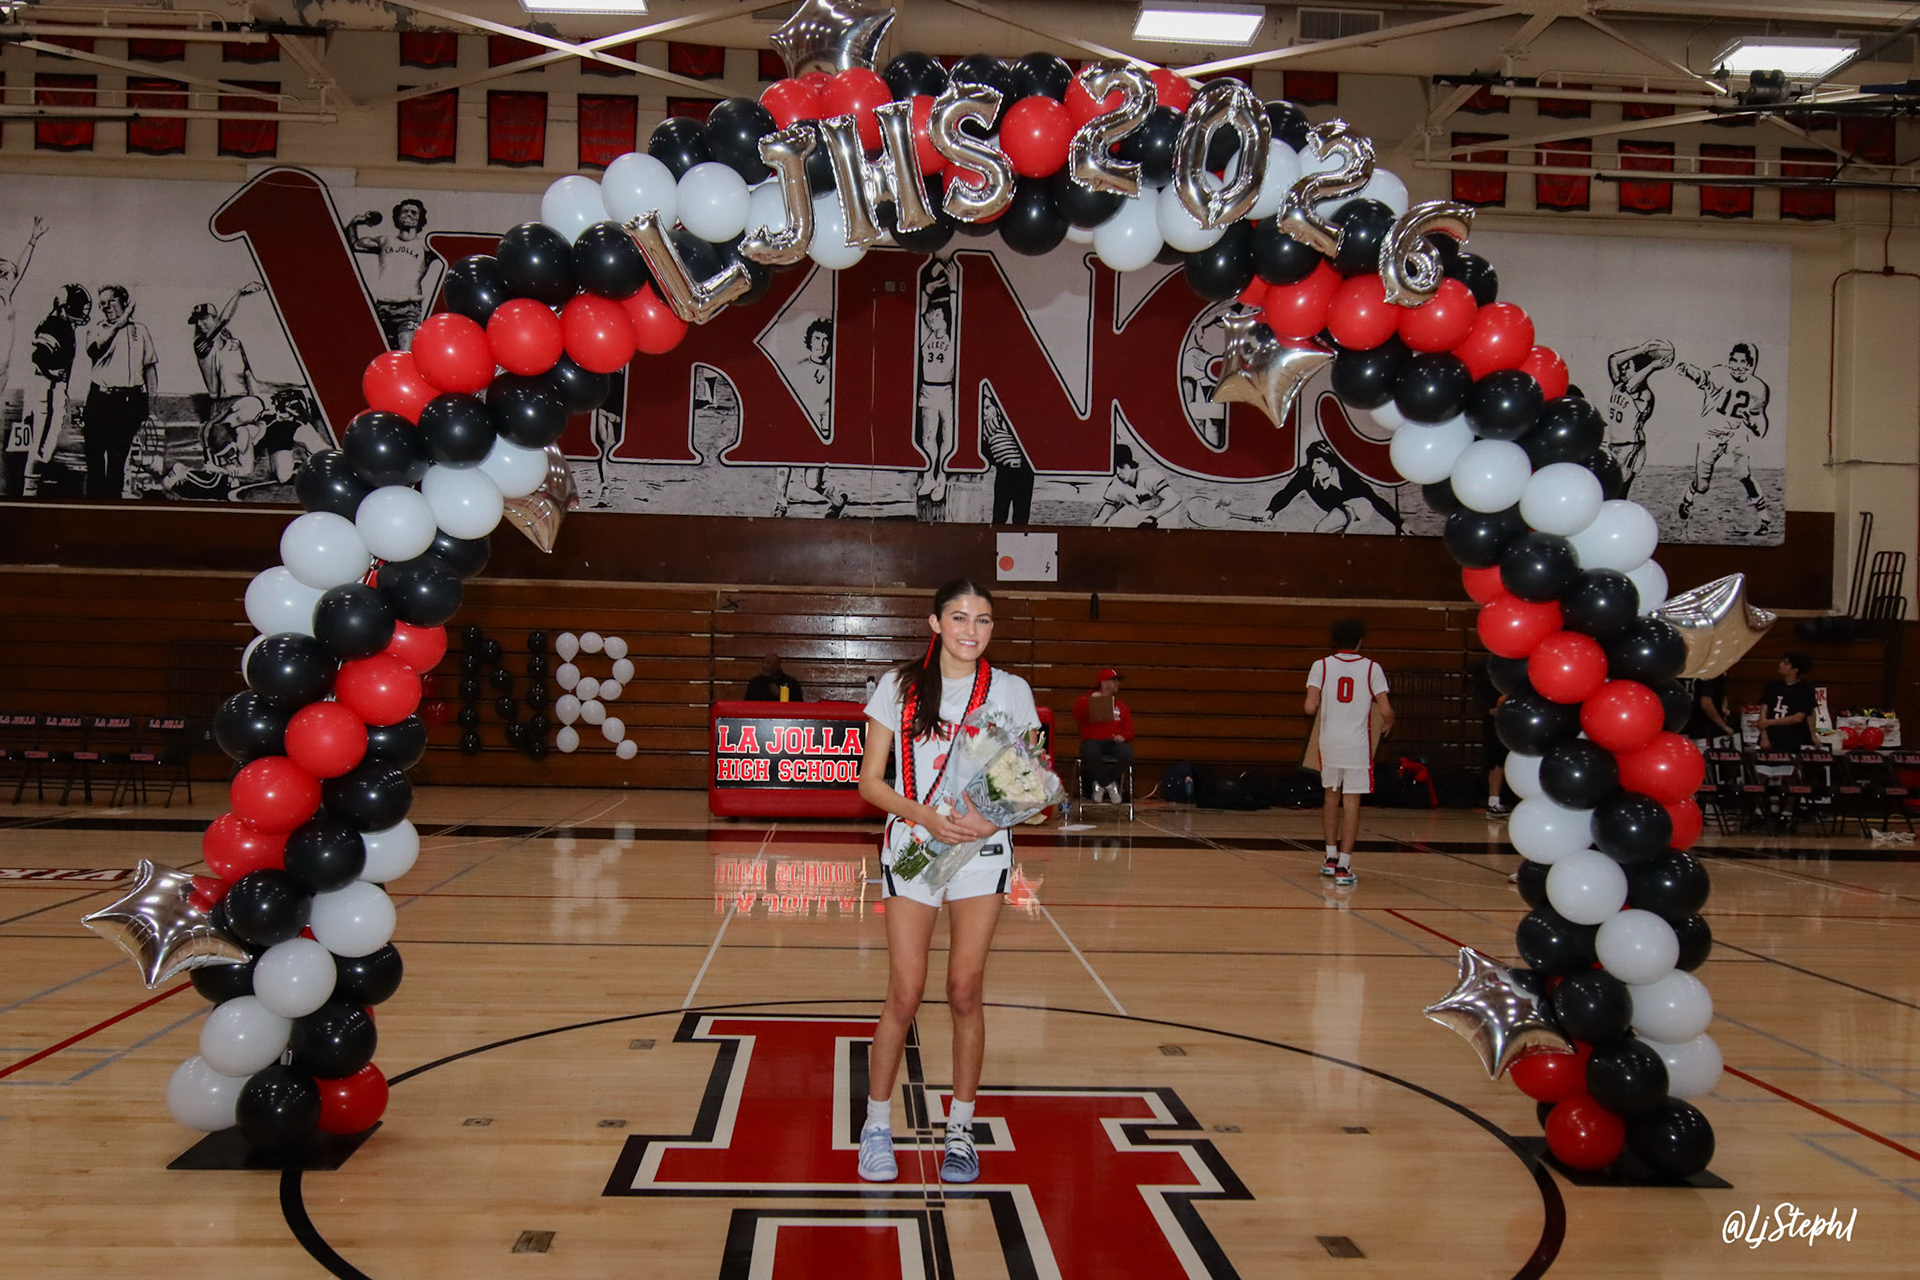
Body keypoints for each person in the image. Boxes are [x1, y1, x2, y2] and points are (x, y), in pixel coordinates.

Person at [857, 578, 1040, 1186]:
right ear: (935, 624)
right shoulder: (899, 686)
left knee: (964, 991)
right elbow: (870, 783)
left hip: (982, 852)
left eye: (983, 620)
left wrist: (990, 818)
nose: (971, 630)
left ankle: (960, 1127)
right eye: (959, 617)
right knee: (905, 994)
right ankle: (876, 1125)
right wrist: (925, 816)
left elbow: (1030, 781)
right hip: (915, 848)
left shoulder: (1010, 690)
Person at [1303, 618, 1392, 887]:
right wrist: (1389, 722)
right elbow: (1385, 709)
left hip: (1330, 743)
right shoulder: (1372, 668)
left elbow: (1309, 707)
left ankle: (1330, 858)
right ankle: (1344, 865)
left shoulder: (1321, 665)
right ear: (1360, 641)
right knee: (1352, 801)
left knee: (1331, 796)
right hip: (1356, 746)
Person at [1677, 341, 1772, 537]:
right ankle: (1688, 498)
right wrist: (1688, 370)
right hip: (1710, 435)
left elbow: (1760, 423)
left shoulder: (1758, 387)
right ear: (1729, 361)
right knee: (1702, 486)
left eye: (1743, 362)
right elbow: (1702, 377)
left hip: (1735, 434)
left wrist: (1753, 424)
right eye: (1734, 361)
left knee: (1744, 474)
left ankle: (1764, 519)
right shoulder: (1719, 374)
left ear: (1750, 364)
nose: (1738, 366)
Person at [81, 283, 158, 498]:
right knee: (95, 460)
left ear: (124, 301)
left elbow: (150, 368)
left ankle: (112, 507)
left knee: (118, 461)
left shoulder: (141, 331)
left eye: (111, 301)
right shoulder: (97, 329)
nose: (105, 307)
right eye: (102, 304)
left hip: (128, 402)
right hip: (100, 400)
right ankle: (93, 508)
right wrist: (119, 324)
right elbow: (95, 350)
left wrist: (151, 405)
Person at [24, 282, 88, 494]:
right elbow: (39, 355)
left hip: (51, 389)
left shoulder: (60, 324)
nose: (82, 311)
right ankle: (30, 490)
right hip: (48, 389)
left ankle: (32, 487)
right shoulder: (55, 324)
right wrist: (51, 372)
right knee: (42, 444)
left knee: (43, 444)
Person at [1264, 439, 1404, 534]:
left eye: (1319, 463)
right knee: (1324, 532)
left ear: (1331, 464)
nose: (1313, 467)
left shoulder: (1347, 478)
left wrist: (1400, 524)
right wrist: (1270, 511)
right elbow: (1286, 493)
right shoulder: (1306, 474)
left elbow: (1375, 500)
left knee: (1324, 529)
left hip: (1359, 507)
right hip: (1340, 510)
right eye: (1312, 462)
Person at [348, 199, 433, 350]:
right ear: (397, 216)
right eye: (404, 211)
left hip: (409, 309)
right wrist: (355, 222)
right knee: (378, 351)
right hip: (383, 307)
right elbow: (355, 244)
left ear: (420, 219)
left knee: (405, 353)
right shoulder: (384, 241)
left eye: (413, 212)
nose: (408, 215)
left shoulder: (425, 246)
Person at [1604, 338, 1673, 496]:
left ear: (1639, 371)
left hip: (1631, 448)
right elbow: (1613, 359)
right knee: (1610, 490)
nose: (1622, 369)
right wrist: (1642, 349)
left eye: (1628, 367)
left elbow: (1631, 386)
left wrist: (1652, 366)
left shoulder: (1643, 395)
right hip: (1615, 447)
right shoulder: (1619, 386)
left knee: (1618, 490)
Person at [915, 258, 957, 519]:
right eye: (931, 315)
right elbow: (918, 314)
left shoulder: (953, 336)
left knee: (948, 437)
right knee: (928, 437)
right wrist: (926, 293)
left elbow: (958, 311)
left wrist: (954, 287)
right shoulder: (925, 335)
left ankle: (942, 477)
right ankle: (929, 476)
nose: (932, 317)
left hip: (946, 391)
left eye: (937, 314)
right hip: (927, 391)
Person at [189, 282, 264, 407]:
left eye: (203, 318)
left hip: (244, 400)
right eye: (196, 321)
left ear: (214, 318)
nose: (199, 324)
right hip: (222, 404)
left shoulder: (233, 342)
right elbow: (223, 320)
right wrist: (239, 293)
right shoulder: (200, 344)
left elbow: (248, 373)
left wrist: (256, 400)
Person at [1072, 668, 1134, 804]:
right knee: (1089, 751)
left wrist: (1123, 736)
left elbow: (1129, 729)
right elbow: (1078, 716)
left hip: (1113, 742)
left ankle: (1101, 784)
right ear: (1104, 683)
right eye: (1114, 681)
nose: (1117, 684)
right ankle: (1110, 786)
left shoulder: (1121, 706)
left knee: (1127, 754)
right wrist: (1090, 701)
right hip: (1093, 742)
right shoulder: (1085, 700)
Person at [1093, 443, 1172, 527]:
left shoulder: (1150, 475)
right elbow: (1106, 512)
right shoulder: (1117, 484)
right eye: (1114, 468)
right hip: (1141, 516)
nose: (1118, 472)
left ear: (1130, 464)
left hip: (1163, 514)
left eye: (1121, 466)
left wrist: (1152, 518)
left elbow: (1173, 499)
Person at [1471, 658, 1508, 817]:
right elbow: (1480, 700)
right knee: (1496, 759)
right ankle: (1494, 802)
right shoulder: (1486, 672)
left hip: (1519, 723)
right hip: (1497, 723)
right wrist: (1489, 710)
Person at [1683, 673, 1736, 749]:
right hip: (1705, 731)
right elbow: (1706, 703)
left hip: (1686, 727)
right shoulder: (1710, 675)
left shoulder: (1688, 673)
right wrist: (1724, 727)